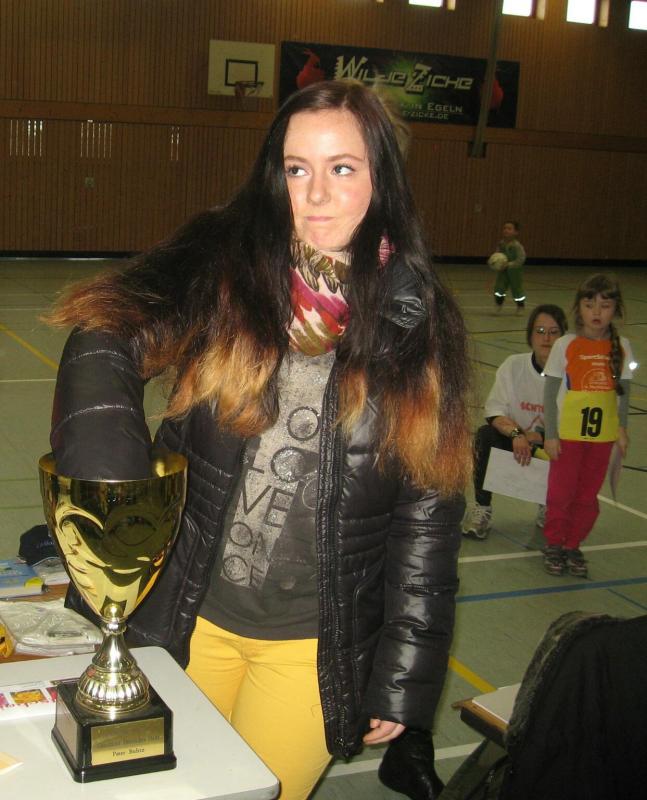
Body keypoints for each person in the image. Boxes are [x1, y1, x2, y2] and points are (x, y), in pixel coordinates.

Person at [46, 80, 472, 800]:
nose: (316, 194)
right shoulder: (225, 267)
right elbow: (109, 325)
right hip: (188, 619)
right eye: (297, 168)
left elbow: (427, 524)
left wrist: (402, 680)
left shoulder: (421, 324)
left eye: (342, 168)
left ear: (382, 180)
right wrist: (108, 475)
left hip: (311, 650)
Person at [541, 274, 633, 579]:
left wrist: (622, 428)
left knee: (587, 495)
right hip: (568, 436)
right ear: (578, 308)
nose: (597, 312)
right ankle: (554, 543)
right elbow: (550, 392)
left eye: (605, 306)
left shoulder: (623, 346)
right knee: (561, 493)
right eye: (589, 304)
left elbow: (624, 393)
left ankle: (572, 544)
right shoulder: (565, 344)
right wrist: (551, 434)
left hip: (602, 437)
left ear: (616, 309)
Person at [463, 304, 568, 540]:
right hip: (516, 445)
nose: (546, 338)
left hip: (550, 448)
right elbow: (494, 412)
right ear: (530, 335)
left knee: (572, 448)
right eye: (540, 331)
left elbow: (571, 426)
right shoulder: (513, 366)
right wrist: (516, 434)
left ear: (563, 338)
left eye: (554, 332)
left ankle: (550, 504)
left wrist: (538, 437)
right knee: (485, 436)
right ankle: (482, 507)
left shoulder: (571, 375)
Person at [493, 220, 526, 313]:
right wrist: (494, 261)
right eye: (505, 228)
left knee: (517, 289)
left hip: (515, 272)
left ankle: (520, 306)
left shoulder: (517, 246)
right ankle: (498, 304)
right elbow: (497, 255)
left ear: (516, 232)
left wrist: (509, 264)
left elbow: (521, 259)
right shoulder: (501, 243)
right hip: (503, 271)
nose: (506, 230)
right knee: (499, 288)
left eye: (509, 228)